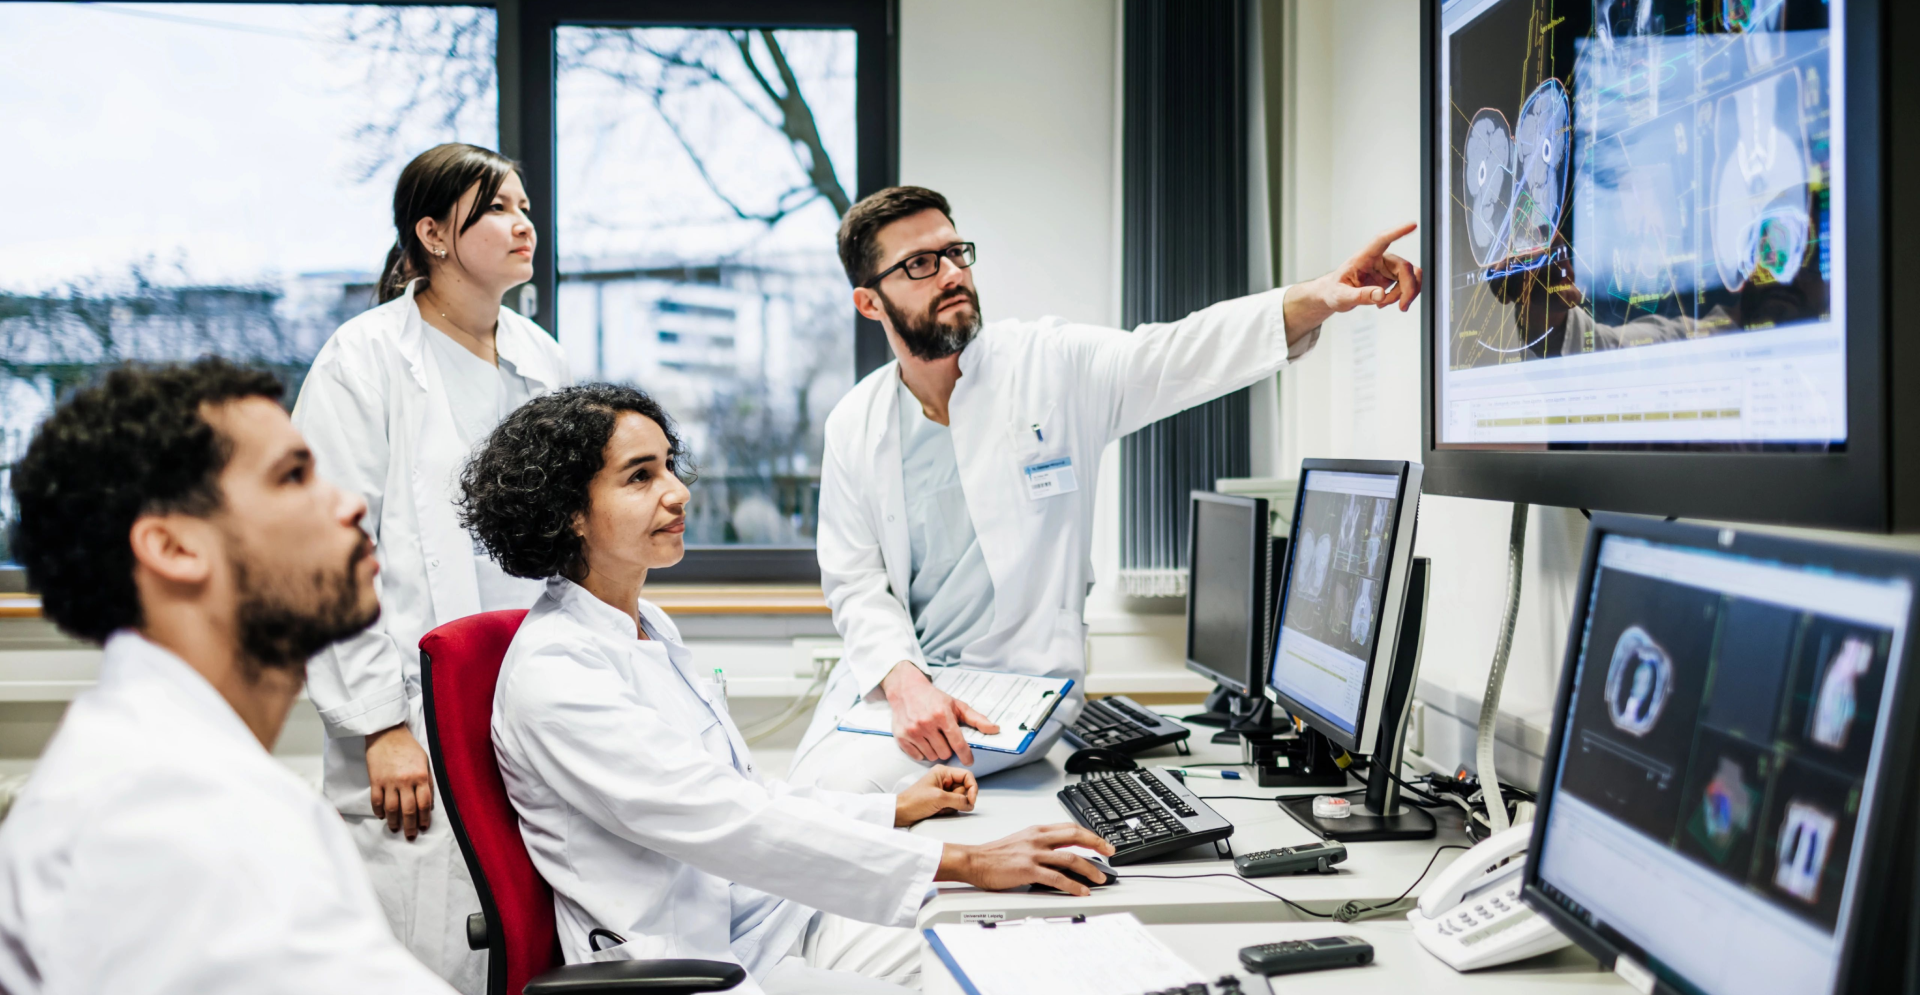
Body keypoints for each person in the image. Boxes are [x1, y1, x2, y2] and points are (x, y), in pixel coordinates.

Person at [457, 384, 1116, 995]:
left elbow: (742, 790)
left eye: (668, 465)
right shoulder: (556, 676)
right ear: (570, 512)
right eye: (641, 476)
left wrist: (893, 810)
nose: (678, 492)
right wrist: (966, 859)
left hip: (762, 919)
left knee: (1002, 949)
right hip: (689, 965)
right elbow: (731, 822)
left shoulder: (643, 625)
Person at [790, 186, 1424, 792]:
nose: (952, 273)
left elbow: (1179, 354)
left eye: (956, 253)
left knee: (840, 793)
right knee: (801, 788)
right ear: (870, 303)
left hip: (1016, 688)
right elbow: (855, 579)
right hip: (905, 681)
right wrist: (903, 681)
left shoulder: (1050, 366)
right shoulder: (855, 423)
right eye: (921, 264)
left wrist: (1319, 296)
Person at [0, 359, 456, 994]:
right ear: (175, 548)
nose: (350, 504)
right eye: (293, 477)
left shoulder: (177, 769)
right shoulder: (165, 817)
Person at [290, 142, 570, 992]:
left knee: (526, 943)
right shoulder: (363, 359)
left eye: (525, 206)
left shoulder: (541, 358)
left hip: (527, 704)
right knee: (422, 951)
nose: (524, 224)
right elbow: (325, 550)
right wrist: (379, 726)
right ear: (433, 234)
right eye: (498, 209)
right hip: (408, 719)